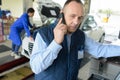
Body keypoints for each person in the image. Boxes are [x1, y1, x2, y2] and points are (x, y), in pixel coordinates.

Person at [30, 0, 120, 80]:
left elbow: (99, 49)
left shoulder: (80, 36)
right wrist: (56, 43)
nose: (76, 22)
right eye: (72, 16)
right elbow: (36, 67)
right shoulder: (44, 34)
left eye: (80, 17)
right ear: (62, 13)